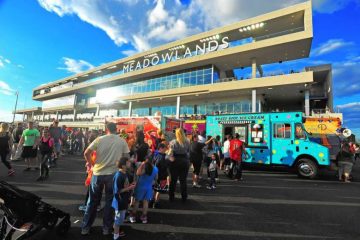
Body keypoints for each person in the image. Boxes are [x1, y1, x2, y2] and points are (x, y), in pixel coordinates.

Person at [81, 122, 130, 236]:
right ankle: (106, 229)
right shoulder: (121, 141)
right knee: (109, 202)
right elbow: (126, 157)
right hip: (113, 174)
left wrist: (92, 164)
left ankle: (85, 227)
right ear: (116, 129)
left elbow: (86, 152)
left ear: (106, 129)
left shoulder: (99, 139)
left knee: (92, 201)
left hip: (98, 173)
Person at [112, 157, 135, 239]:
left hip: (123, 200)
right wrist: (129, 188)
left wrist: (130, 185)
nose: (130, 163)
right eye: (128, 162)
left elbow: (124, 186)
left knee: (120, 219)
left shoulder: (125, 173)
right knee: (118, 220)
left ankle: (115, 231)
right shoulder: (119, 175)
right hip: (119, 202)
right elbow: (117, 191)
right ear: (123, 165)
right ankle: (115, 235)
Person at [130, 159, 158, 224]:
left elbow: (137, 173)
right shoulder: (156, 169)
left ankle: (133, 216)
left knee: (137, 201)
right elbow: (156, 179)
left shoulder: (144, 168)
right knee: (146, 202)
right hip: (148, 187)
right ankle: (144, 217)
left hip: (140, 187)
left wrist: (142, 165)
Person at [168, 128, 190, 202]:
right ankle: (184, 197)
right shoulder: (187, 141)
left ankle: (171, 196)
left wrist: (168, 158)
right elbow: (188, 152)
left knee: (173, 180)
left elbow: (170, 153)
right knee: (183, 180)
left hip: (175, 161)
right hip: (184, 161)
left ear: (176, 134)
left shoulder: (173, 142)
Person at [153, 143, 169, 208]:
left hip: (155, 175)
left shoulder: (155, 155)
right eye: (165, 148)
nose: (166, 149)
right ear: (161, 148)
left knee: (154, 188)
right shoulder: (163, 157)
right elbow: (164, 166)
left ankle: (152, 200)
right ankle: (156, 202)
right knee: (159, 190)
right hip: (162, 175)